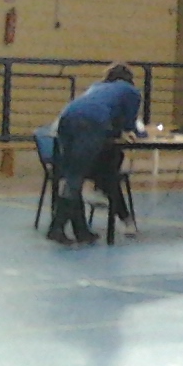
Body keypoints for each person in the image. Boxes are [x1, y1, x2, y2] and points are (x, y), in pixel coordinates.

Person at [47, 62, 144, 245]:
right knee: (76, 176)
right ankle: (56, 228)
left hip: (67, 118)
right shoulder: (131, 92)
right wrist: (139, 133)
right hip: (91, 123)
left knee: (72, 175)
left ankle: (81, 231)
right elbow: (129, 125)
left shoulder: (96, 87)